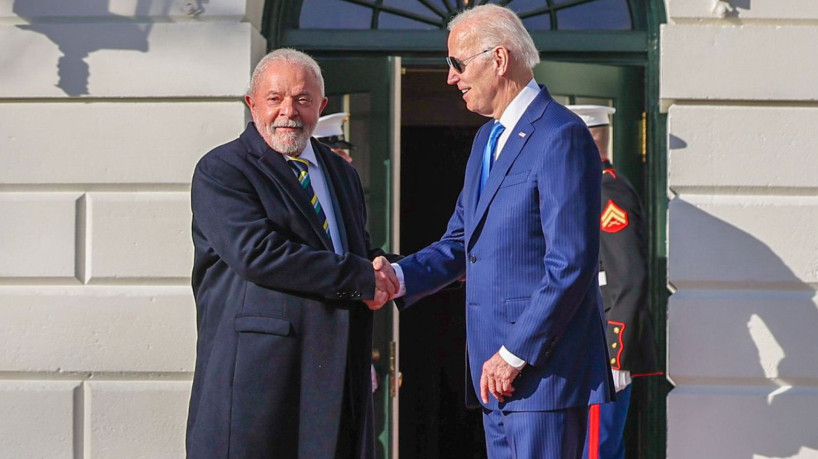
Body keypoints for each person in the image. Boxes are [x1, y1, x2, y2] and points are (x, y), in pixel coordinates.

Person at [387, 5, 614, 458]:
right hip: (495, 376)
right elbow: (459, 242)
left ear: (499, 59)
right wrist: (396, 277)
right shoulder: (486, 140)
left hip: (541, 375)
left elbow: (571, 262)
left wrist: (514, 353)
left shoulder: (560, 135)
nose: (451, 78)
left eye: (457, 63)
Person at [186, 48, 399, 459]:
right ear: (252, 104)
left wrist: (402, 272)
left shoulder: (341, 173)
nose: (289, 111)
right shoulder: (223, 169)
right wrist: (361, 278)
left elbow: (355, 252)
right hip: (260, 385)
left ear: (321, 106)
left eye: (302, 100)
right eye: (275, 98)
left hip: (337, 382)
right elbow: (257, 254)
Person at [567, 105, 661, 459]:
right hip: (588, 348)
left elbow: (628, 275)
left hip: (603, 352)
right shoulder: (587, 188)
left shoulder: (606, 191)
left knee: (596, 451)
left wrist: (616, 354)